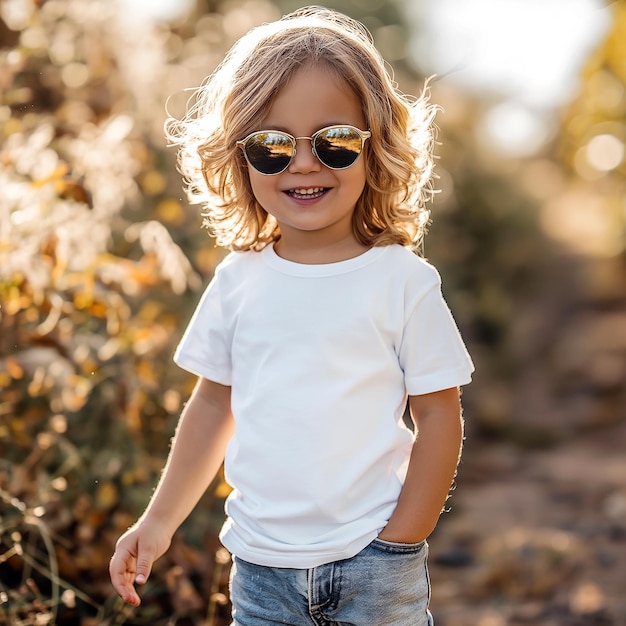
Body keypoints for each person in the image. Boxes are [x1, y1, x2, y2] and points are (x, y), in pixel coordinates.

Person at [109, 6, 474, 625]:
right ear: (240, 158)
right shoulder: (238, 282)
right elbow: (211, 405)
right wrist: (159, 519)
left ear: (374, 146)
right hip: (259, 570)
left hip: (375, 564)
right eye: (273, 146)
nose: (304, 163)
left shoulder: (402, 282)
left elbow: (439, 415)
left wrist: (403, 539)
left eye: (333, 140)